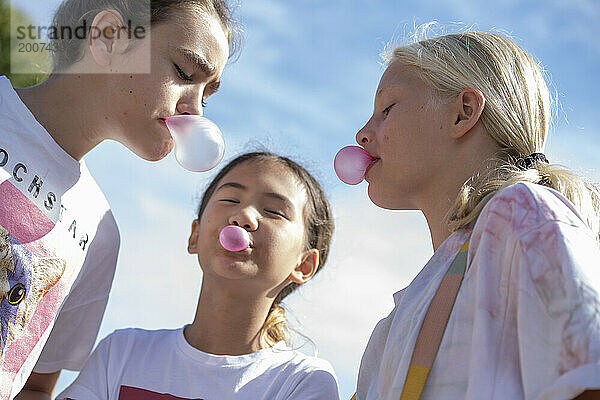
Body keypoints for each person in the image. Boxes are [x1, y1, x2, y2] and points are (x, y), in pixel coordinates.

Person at [0, 0, 238, 398]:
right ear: (107, 37)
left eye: (207, 95)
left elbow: (35, 387)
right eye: (184, 72)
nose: (195, 110)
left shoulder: (99, 233)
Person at [351, 28, 600, 400]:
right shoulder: (392, 324)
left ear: (463, 113)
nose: (362, 135)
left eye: (387, 109)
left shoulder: (519, 214)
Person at [55, 151, 340, 400]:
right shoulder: (121, 352)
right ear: (195, 235)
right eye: (230, 199)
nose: (242, 217)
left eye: (273, 211)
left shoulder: (303, 381)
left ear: (304, 265)